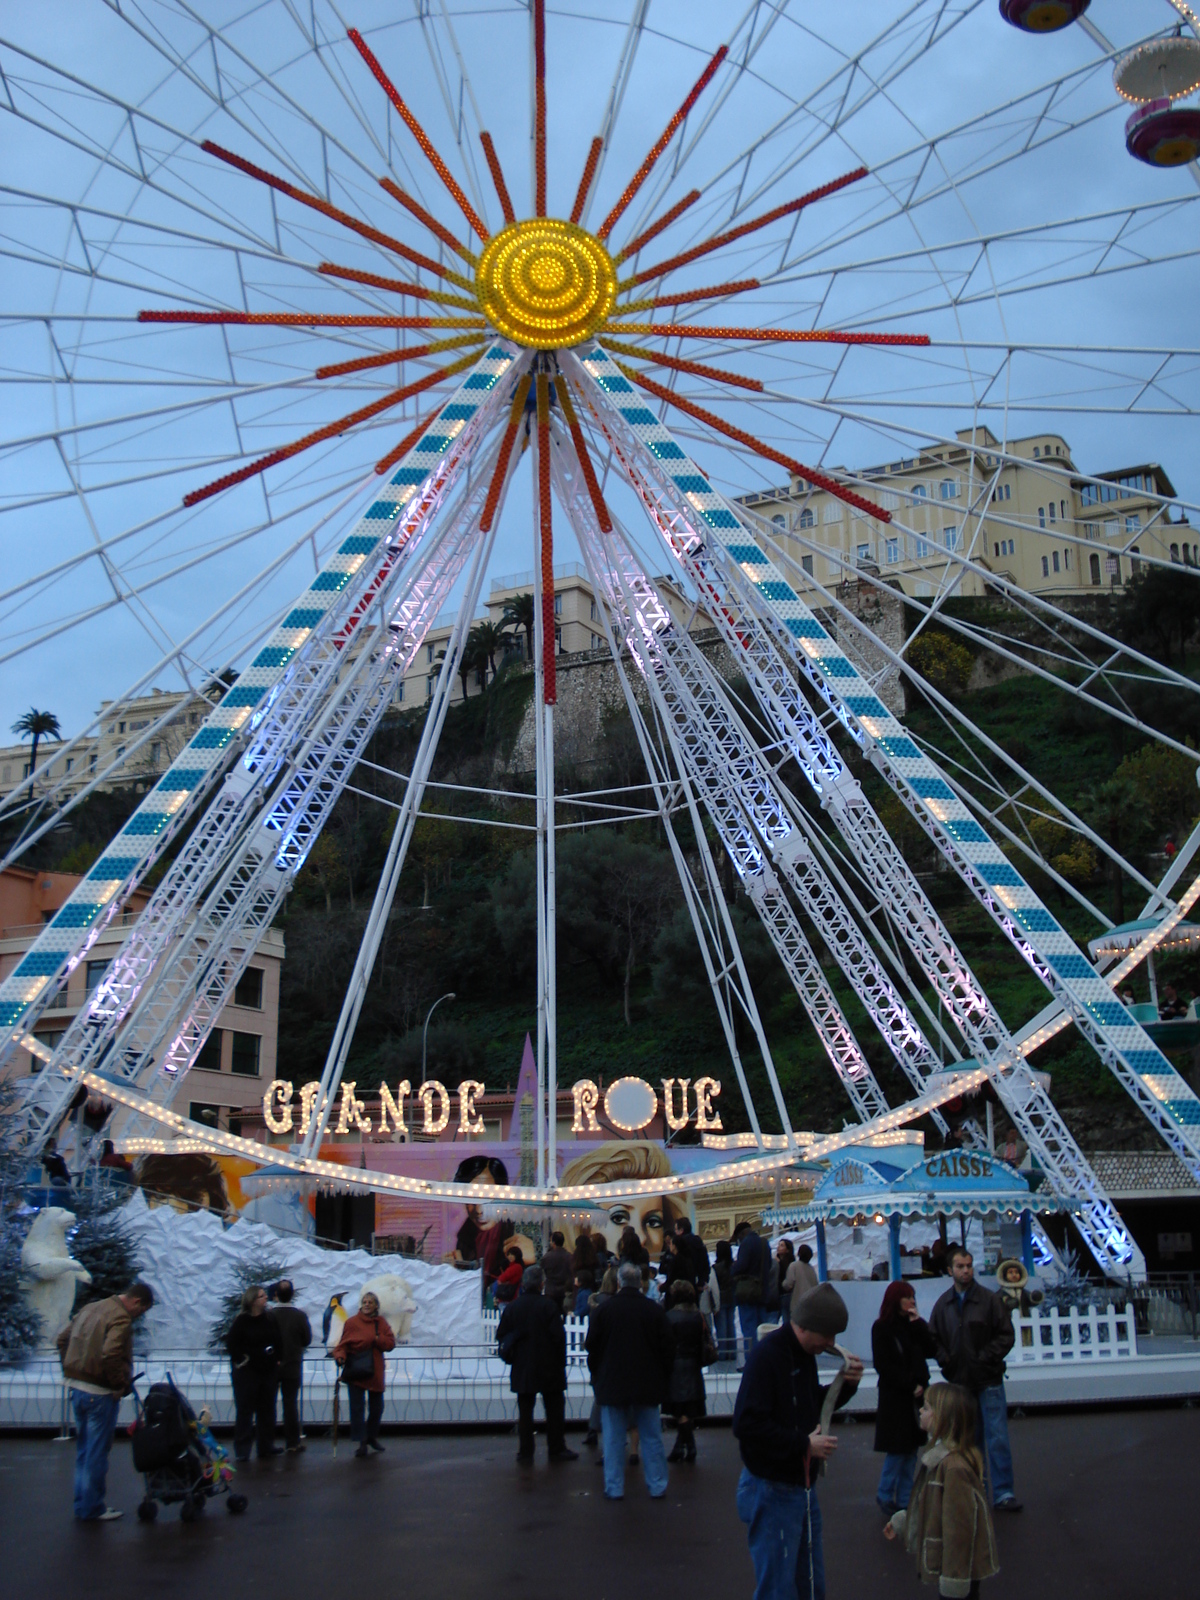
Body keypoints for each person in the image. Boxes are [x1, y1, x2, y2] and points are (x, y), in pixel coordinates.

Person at [733, 1282, 864, 1600]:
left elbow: (809, 1405)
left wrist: (844, 1386)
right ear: (807, 1326)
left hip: (798, 1487)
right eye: (828, 1335)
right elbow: (746, 1423)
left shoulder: (803, 1353)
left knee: (808, 1581)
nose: (832, 1344)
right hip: (772, 1488)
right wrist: (804, 1445)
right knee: (779, 1588)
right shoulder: (768, 1357)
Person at [883, 1383, 999, 1598]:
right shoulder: (942, 1460)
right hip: (956, 1571)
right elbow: (932, 1507)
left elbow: (959, 1531)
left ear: (942, 1419)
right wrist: (903, 1522)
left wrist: (954, 1580)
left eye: (926, 1408)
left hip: (957, 1575)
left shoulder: (952, 1467)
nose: (920, 1410)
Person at [928, 1247, 1020, 1513]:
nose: (966, 1270)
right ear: (950, 1270)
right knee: (970, 1439)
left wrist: (985, 1357)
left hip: (987, 1377)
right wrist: (947, 1360)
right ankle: (977, 1487)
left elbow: (1006, 1334)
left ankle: (1002, 1491)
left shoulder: (989, 1301)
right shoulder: (944, 1304)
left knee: (996, 1436)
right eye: (960, 1266)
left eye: (968, 1265)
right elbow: (933, 1338)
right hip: (961, 1379)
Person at [56, 1279, 154, 1521]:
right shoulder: (120, 1318)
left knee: (84, 1451)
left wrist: (70, 1368)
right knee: (97, 1453)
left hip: (76, 1389)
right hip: (99, 1393)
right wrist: (118, 1384)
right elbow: (111, 1354)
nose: (138, 1316)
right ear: (136, 1302)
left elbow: (62, 1340)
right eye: (141, 1311)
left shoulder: (90, 1308)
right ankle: (93, 1508)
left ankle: (82, 1505)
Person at [585, 1260, 675, 1500]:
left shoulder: (603, 1311)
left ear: (618, 1283)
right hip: (647, 1382)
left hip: (612, 1382)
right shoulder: (654, 1311)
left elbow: (592, 1347)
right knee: (651, 1437)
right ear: (641, 1283)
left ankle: (614, 1487)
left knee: (613, 1439)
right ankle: (657, 1485)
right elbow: (668, 1349)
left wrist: (598, 1375)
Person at [496, 1262, 577, 1464]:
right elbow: (559, 1337)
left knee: (525, 1410)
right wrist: (560, 1363)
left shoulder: (513, 1308)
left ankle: (525, 1451)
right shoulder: (548, 1306)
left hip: (523, 1365)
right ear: (542, 1284)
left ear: (523, 1284)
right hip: (549, 1366)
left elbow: (502, 1336)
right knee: (554, 1408)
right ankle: (556, 1447)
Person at [872, 1280, 936, 1517]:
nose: (911, 1301)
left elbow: (930, 1349)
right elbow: (883, 1364)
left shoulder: (913, 1326)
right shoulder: (882, 1328)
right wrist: (910, 1383)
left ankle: (905, 1498)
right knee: (898, 1449)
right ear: (895, 1300)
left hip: (917, 1394)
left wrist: (918, 1323)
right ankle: (886, 1493)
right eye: (907, 1297)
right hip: (896, 1395)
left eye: (913, 1297)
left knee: (911, 1449)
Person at [331, 1289, 396, 1458]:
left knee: (376, 1408)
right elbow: (343, 1345)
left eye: (370, 1302)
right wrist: (339, 1357)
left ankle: (372, 1437)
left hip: (374, 1371)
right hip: (357, 1371)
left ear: (376, 1306)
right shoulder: (352, 1323)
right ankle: (362, 1442)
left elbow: (390, 1343)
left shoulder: (380, 1323)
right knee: (357, 1408)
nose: (367, 1305)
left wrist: (377, 1339)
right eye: (364, 1302)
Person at [226, 1283, 282, 1462]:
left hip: (268, 1370)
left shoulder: (270, 1318)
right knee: (245, 1410)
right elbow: (232, 1345)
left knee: (267, 1409)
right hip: (248, 1373)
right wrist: (243, 1360)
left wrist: (277, 1358)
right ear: (252, 1301)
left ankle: (266, 1446)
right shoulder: (242, 1321)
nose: (266, 1298)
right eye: (261, 1296)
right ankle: (243, 1449)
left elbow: (278, 1339)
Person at [664, 1279, 708, 1463]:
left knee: (680, 1409)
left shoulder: (669, 1317)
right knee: (688, 1409)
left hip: (676, 1366)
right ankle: (685, 1447)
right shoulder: (699, 1316)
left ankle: (686, 1448)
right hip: (693, 1364)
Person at [272, 1279, 312, 1454]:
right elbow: (307, 1340)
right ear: (292, 1294)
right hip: (292, 1366)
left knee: (268, 1405)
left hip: (271, 1366)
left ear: (276, 1296)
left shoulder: (269, 1315)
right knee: (290, 1405)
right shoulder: (299, 1316)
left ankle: (266, 1442)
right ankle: (292, 1442)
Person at [583, 1265, 618, 1447]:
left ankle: (592, 1429)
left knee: (600, 1395)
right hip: (612, 1354)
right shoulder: (616, 1303)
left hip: (597, 1355)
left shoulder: (596, 1303)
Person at [731, 1220, 770, 1363]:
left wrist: (733, 1269)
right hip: (763, 1292)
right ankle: (764, 1360)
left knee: (749, 1330)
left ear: (742, 1234)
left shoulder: (746, 1244)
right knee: (763, 1330)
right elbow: (769, 1265)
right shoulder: (764, 1243)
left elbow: (741, 1266)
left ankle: (753, 1363)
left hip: (747, 1293)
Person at [712, 1238, 736, 1362]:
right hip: (732, 1297)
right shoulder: (733, 1266)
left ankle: (722, 1354)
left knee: (721, 1327)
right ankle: (732, 1353)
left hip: (720, 1299)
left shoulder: (715, 1267)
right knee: (731, 1326)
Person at [782, 1244, 819, 1325]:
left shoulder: (794, 1266)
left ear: (799, 1253)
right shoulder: (811, 1269)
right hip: (810, 1307)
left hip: (797, 1305)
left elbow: (788, 1284)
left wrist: (782, 1283)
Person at [541, 1229, 574, 1317]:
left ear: (553, 1242)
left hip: (550, 1290)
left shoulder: (547, 1257)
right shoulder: (569, 1256)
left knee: (550, 1315)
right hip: (565, 1290)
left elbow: (543, 1271)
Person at [673, 1215, 711, 1290]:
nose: (675, 1232)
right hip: (699, 1281)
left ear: (681, 1230)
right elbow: (705, 1262)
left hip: (685, 1283)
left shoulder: (681, 1245)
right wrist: (703, 1280)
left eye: (676, 1229)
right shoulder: (698, 1242)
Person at [766, 1239, 795, 1317]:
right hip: (777, 1295)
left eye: (782, 1245)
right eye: (779, 1245)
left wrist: (779, 1264)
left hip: (786, 1295)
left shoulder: (790, 1264)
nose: (778, 1247)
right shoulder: (775, 1262)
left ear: (788, 1250)